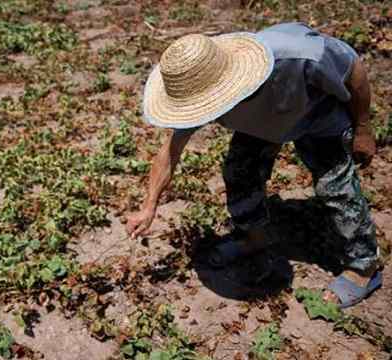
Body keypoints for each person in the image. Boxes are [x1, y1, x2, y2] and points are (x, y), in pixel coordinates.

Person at [125, 23, 382, 308]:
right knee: (240, 172)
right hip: (261, 124)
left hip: (314, 111)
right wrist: (148, 207)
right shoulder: (197, 85)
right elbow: (169, 152)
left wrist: (363, 128)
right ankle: (253, 238)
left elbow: (354, 70)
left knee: (336, 187)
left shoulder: (300, 57)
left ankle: (363, 266)